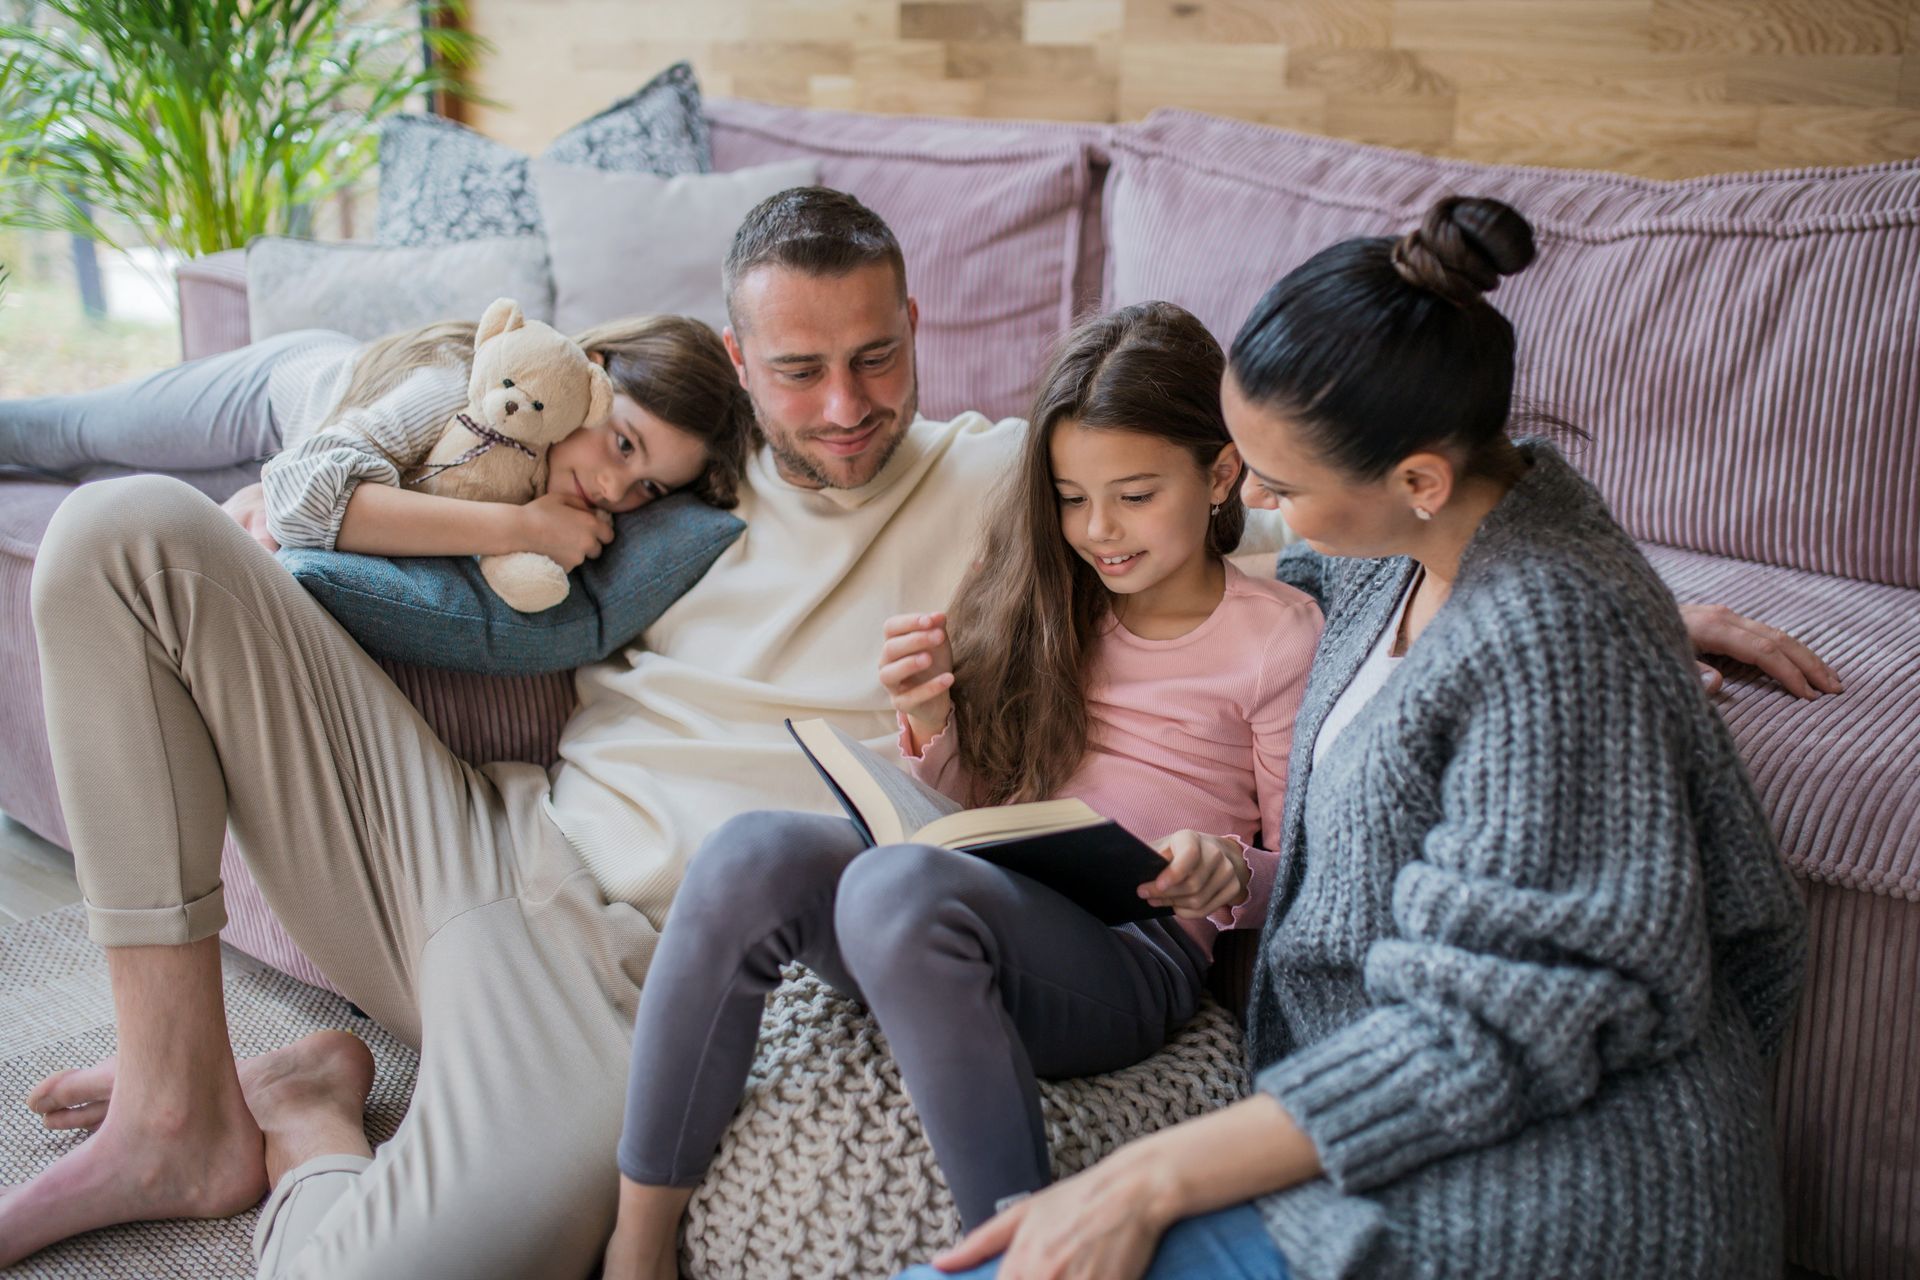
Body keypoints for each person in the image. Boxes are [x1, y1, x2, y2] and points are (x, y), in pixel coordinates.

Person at [0, 188, 1828, 1278]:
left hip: (629, 982)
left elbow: (1317, 529)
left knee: (407, 1265)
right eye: (795, 368)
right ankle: (176, 1107)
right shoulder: (643, 472)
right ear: (726, 356)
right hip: (474, 851)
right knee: (120, 534)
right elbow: (340, 428)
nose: (844, 404)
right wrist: (377, 521)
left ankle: (308, 1121)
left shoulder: (1007, 483)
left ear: (919, 333)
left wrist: (1645, 607)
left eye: (875, 357)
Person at [908, 197, 1811, 1280]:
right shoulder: (1401, 549)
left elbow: (1493, 1023)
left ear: (1418, 478)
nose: (1262, 509)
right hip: (1380, 1130)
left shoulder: (1550, 637)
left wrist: (1142, 1175)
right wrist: (1663, 608)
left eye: (1279, 485)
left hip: (1554, 1184)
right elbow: (1286, 582)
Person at [601, 302, 1322, 1278]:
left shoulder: (1277, 635)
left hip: (1128, 953)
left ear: (1221, 473)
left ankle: (1015, 1253)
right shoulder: (1047, 589)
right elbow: (982, 795)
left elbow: (1311, 871)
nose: (1098, 530)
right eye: (1071, 497)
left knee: (893, 888)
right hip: (994, 890)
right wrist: (934, 718)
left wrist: (1227, 868)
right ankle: (636, 1249)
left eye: (1136, 494)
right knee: (750, 850)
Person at [2, 313, 752, 575]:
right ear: (588, 383)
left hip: (303, 455)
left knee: (96, 486)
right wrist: (522, 527)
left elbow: (295, 499)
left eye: (651, 486)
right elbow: (307, 498)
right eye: (623, 446)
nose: (620, 494)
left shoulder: (579, 505)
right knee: (66, 433)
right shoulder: (462, 381)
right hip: (281, 393)